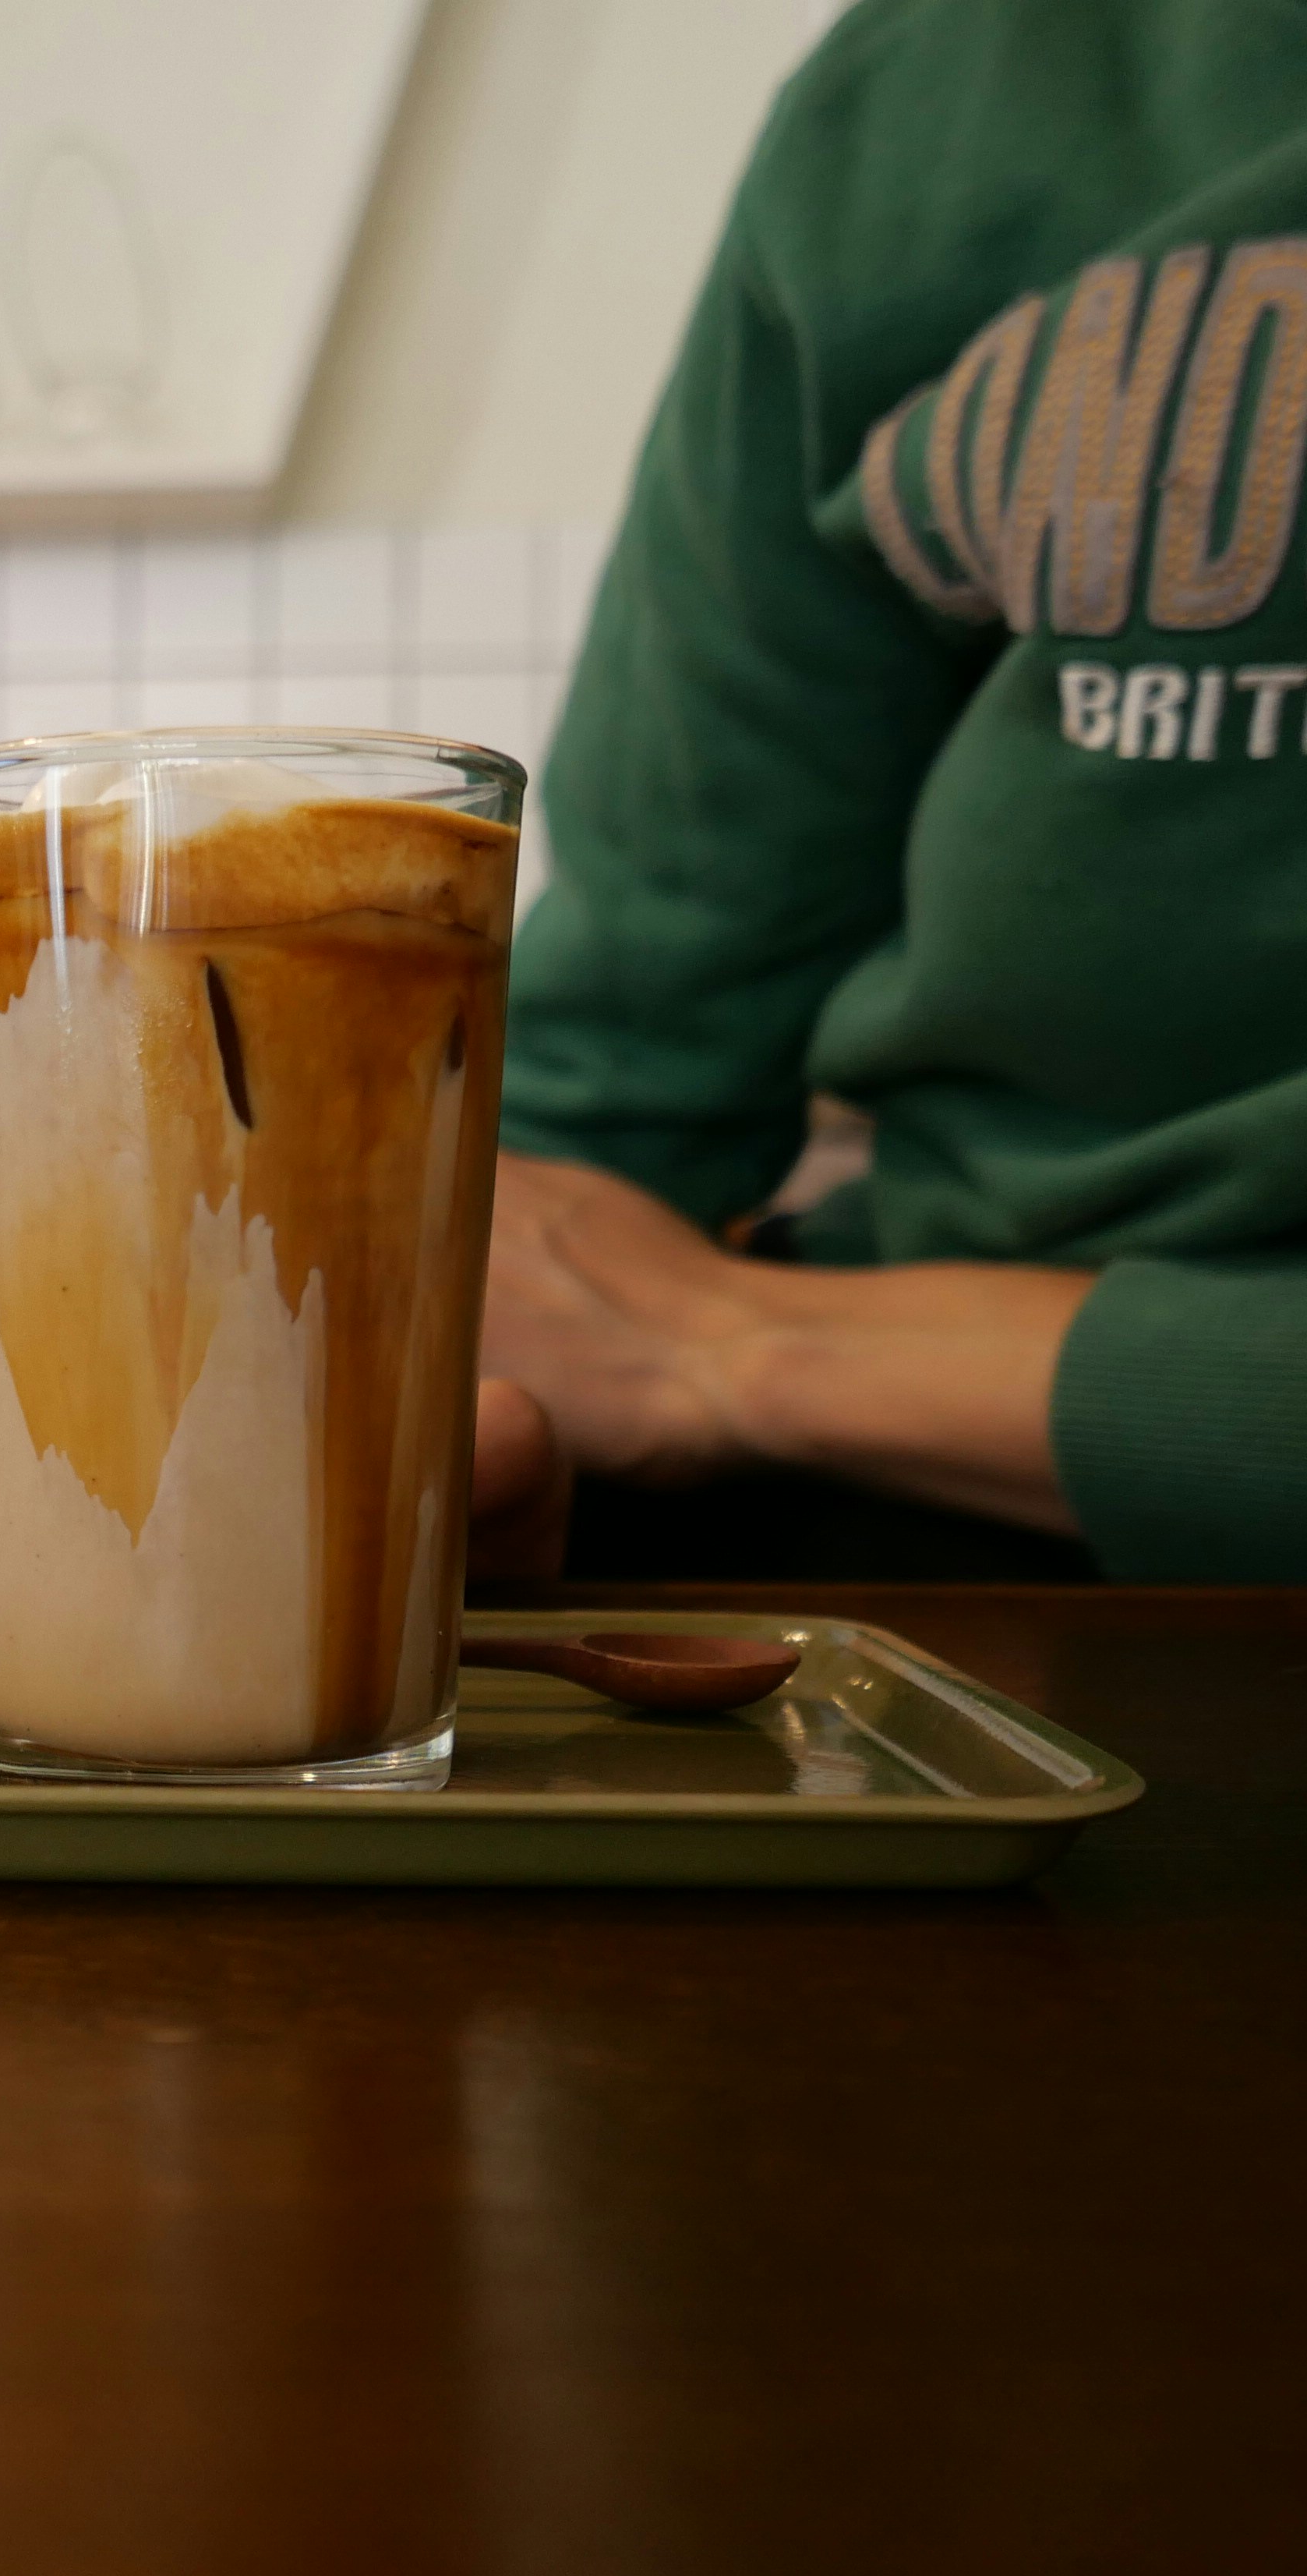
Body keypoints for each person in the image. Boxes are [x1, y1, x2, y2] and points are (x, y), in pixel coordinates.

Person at [466, 0, 1307, 1583]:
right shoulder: (924, 86)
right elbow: (636, 1048)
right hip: (894, 1554)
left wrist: (728, 1345)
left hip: (838, 1410)